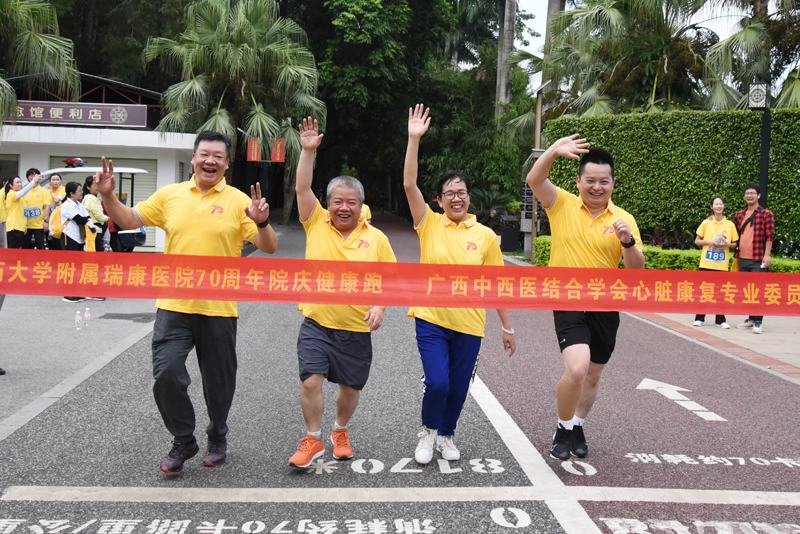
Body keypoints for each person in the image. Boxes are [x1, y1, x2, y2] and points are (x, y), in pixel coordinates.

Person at [95, 130, 278, 476]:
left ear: (227, 163)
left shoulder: (239, 201)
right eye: (204, 154)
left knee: (219, 382)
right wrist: (108, 196)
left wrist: (263, 222)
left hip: (219, 308)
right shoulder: (170, 195)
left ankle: (217, 435)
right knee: (165, 373)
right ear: (193, 158)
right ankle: (183, 439)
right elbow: (129, 219)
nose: (210, 161)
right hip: (174, 305)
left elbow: (268, 246)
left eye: (218, 156)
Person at [404, 105, 516, 464]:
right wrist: (414, 139)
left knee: (457, 387)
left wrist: (507, 326)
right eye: (449, 193)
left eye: (462, 192)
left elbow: (496, 284)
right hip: (431, 318)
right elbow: (409, 184)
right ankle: (427, 433)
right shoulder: (428, 223)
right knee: (437, 382)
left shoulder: (485, 236)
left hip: (470, 323)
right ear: (439, 199)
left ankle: (446, 435)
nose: (456, 197)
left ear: (469, 197)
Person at [525, 134, 645, 461]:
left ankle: (577, 424)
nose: (596, 187)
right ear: (578, 181)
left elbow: (636, 271)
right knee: (577, 369)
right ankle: (563, 428)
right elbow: (534, 179)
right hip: (568, 300)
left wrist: (627, 242)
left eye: (603, 181)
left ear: (613, 184)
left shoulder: (624, 219)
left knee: (592, 375)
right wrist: (553, 151)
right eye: (590, 180)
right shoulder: (561, 203)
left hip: (605, 305)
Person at [288, 118, 397, 468]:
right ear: (328, 203)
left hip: (355, 328)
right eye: (337, 202)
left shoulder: (377, 239)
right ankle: (313, 439)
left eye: (351, 202)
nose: (343, 208)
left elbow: (391, 279)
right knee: (311, 381)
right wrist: (308, 152)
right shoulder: (315, 222)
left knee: (350, 389)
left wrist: (379, 306)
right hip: (317, 322)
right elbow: (302, 188)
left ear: (361, 205)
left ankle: (340, 430)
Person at [732, 183, 774, 335]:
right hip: (742, 259)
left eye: (752, 193)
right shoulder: (739, 215)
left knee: (759, 290)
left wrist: (767, 255)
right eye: (747, 193)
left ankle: (758, 321)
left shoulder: (766, 214)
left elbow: (770, 236)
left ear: (759, 195)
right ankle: (750, 318)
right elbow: (730, 230)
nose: (749, 195)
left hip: (758, 259)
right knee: (748, 291)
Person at [692, 196, 738, 329]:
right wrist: (709, 242)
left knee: (721, 292)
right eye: (716, 204)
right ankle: (699, 318)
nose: (719, 206)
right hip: (706, 264)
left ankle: (720, 320)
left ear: (724, 206)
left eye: (721, 204)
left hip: (722, 265)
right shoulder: (706, 223)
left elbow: (735, 244)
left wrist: (726, 244)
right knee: (704, 291)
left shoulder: (730, 225)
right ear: (711, 207)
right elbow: (697, 241)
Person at [60, 181, 95, 303]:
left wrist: (87, 220)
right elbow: (80, 219)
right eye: (79, 191)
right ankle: (67, 293)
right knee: (70, 266)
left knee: (77, 266)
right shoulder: (67, 205)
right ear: (71, 193)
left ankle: (76, 291)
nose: (81, 192)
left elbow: (88, 217)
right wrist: (86, 220)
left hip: (79, 238)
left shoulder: (79, 205)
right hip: (69, 237)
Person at [5, 176, 37, 248]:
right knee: (13, 250)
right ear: (10, 185)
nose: (20, 184)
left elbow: (23, 212)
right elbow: (22, 193)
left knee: (18, 249)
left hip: (20, 227)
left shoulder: (21, 197)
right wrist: (33, 182)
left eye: (20, 182)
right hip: (14, 227)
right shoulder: (11, 194)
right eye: (17, 182)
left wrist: (25, 225)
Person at [22, 168, 49, 250]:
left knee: (40, 246)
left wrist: (46, 221)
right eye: (30, 175)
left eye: (35, 175)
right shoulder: (24, 191)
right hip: (26, 224)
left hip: (39, 224)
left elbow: (46, 207)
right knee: (25, 245)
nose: (33, 177)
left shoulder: (43, 191)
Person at [82, 175, 109, 252]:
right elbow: (99, 216)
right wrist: (108, 218)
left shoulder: (88, 197)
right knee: (97, 253)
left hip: (93, 229)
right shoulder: (91, 198)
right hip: (95, 230)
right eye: (95, 185)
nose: (97, 187)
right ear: (88, 187)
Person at [44, 173, 66, 250]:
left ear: (60, 181)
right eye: (53, 180)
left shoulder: (64, 189)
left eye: (57, 180)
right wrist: (46, 221)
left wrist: (50, 190)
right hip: (51, 220)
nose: (55, 182)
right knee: (51, 245)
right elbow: (46, 207)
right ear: (50, 181)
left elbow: (56, 200)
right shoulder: (46, 192)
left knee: (60, 245)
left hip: (61, 221)